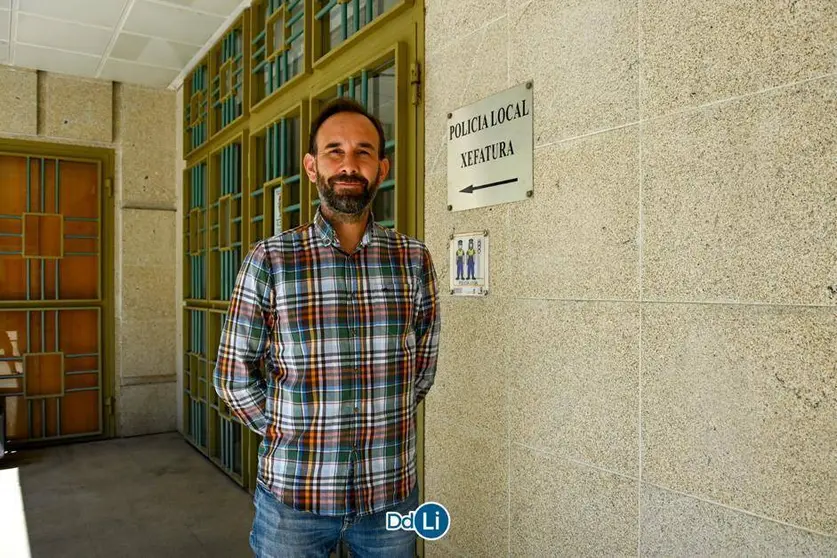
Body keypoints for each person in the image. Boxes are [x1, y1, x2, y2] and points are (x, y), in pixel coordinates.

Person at [213, 97, 441, 558]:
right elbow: (233, 377)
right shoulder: (271, 260)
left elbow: (421, 370)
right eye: (335, 151)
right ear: (312, 166)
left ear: (382, 168)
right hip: (294, 498)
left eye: (363, 152)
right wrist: (292, 431)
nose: (349, 164)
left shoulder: (413, 260)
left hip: (390, 495)